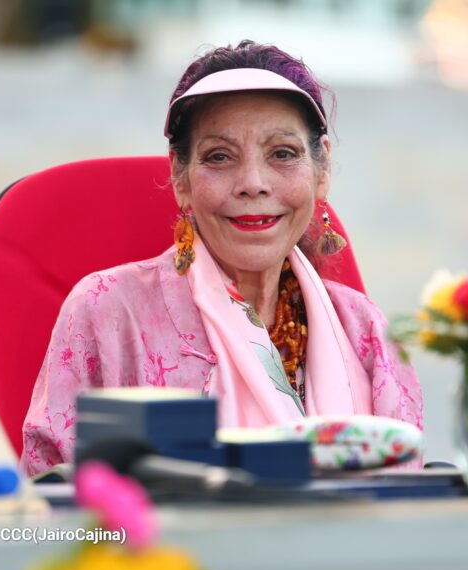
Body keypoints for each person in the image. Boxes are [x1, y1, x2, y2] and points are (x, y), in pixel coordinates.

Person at [22, 40, 422, 475]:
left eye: (282, 154)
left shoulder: (365, 328)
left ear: (321, 168)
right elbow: (52, 495)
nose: (252, 182)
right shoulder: (108, 310)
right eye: (219, 157)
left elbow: (410, 495)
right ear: (180, 177)